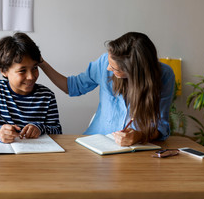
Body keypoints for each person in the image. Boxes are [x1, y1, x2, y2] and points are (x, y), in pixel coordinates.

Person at [39, 32, 175, 146]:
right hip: (96, 143)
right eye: (110, 64)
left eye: (115, 68)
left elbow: (161, 126)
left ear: (134, 72)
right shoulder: (105, 62)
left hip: (136, 149)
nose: (109, 68)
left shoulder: (164, 75)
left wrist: (139, 136)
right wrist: (42, 63)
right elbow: (72, 87)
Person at [0, 32, 62, 143]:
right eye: (22, 71)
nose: (31, 77)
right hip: (3, 156)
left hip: (37, 157)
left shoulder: (47, 96)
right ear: (4, 71)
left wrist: (40, 128)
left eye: (35, 68)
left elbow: (57, 131)